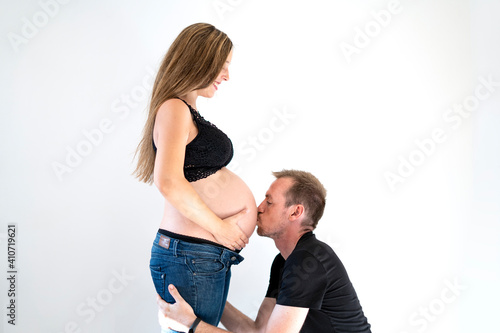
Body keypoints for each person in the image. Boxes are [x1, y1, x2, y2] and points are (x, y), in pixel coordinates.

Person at [133, 23, 258, 332]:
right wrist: (220, 229)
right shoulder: (174, 108)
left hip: (197, 257)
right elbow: (169, 181)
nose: (227, 76)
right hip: (191, 256)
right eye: (223, 66)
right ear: (199, 59)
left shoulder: (185, 110)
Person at [157, 170, 372, 333]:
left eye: (269, 202)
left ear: (295, 212)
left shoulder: (308, 262)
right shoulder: (284, 262)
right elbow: (257, 330)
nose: (259, 207)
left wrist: (192, 324)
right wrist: (205, 297)